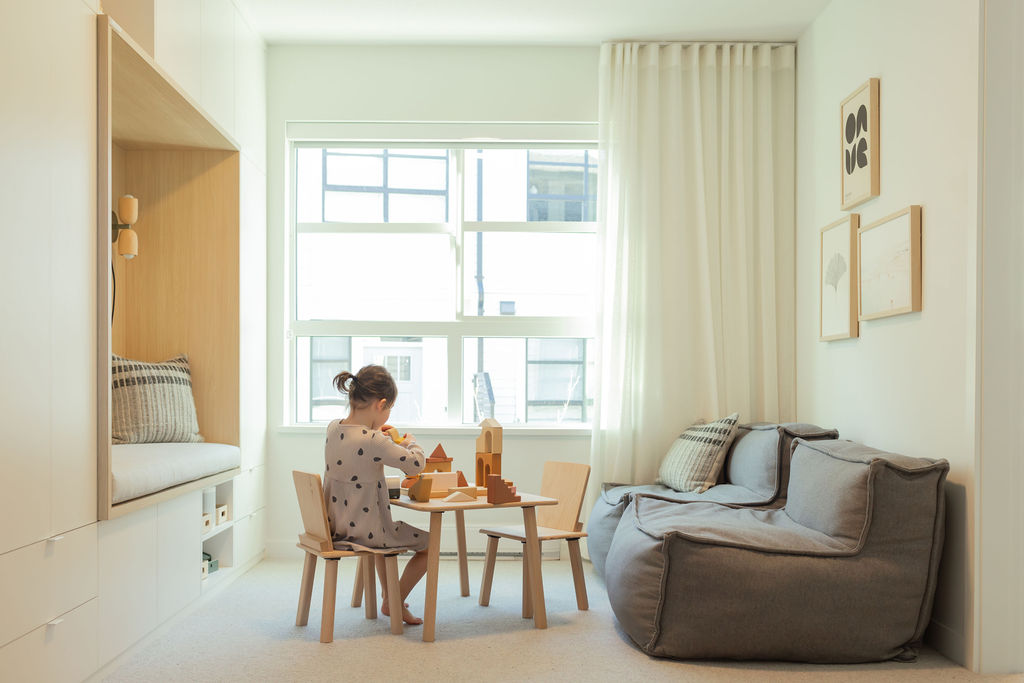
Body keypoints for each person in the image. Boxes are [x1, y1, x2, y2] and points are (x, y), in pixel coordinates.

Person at [323, 364, 429, 625]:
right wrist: (408, 442)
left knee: (384, 534)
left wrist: (381, 440)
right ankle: (395, 599)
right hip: (368, 534)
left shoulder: (333, 428)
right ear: (381, 405)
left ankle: (390, 595)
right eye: (390, 408)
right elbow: (416, 464)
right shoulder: (373, 441)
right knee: (431, 543)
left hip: (337, 529)